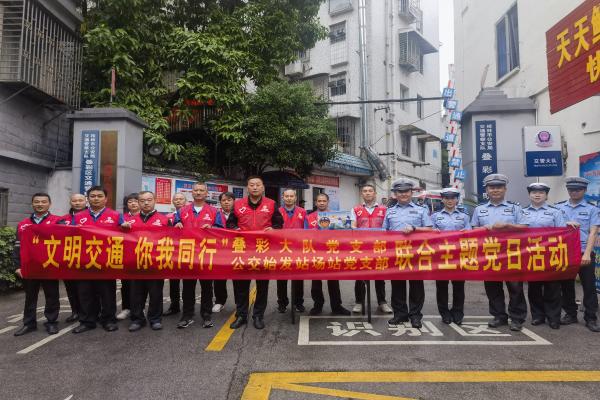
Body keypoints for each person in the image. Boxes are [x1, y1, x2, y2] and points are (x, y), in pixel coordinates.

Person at [471, 174, 528, 331]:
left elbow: (525, 227)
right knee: (492, 287)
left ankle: (517, 318)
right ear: (487, 190)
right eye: (492, 187)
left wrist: (508, 226)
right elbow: (473, 229)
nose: (495, 190)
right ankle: (499, 316)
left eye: (499, 187)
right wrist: (484, 228)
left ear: (505, 189)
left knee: (515, 287)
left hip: (511, 253)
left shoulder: (515, 208)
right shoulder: (479, 209)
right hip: (489, 253)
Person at [227, 176, 284, 329]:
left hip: (263, 250)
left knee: (262, 285)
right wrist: (235, 228)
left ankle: (258, 316)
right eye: (252, 185)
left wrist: (274, 229)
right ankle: (241, 315)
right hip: (242, 251)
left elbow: (279, 223)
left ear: (263, 187)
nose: (255, 187)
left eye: (258, 185)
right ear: (248, 188)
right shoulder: (238, 204)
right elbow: (230, 223)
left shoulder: (271, 204)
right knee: (241, 286)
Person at [384, 179, 433, 328]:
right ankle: (400, 314)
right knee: (397, 285)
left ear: (411, 193)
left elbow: (429, 229)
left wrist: (414, 228)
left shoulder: (421, 210)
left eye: (406, 191)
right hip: (396, 253)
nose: (403, 194)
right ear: (395, 194)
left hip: (416, 253)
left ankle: (415, 316)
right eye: (400, 192)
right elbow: (384, 232)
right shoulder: (390, 211)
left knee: (416, 285)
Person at [71, 186, 121, 334]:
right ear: (88, 199)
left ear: (106, 199)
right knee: (85, 293)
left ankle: (109, 320)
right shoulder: (78, 217)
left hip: (107, 262)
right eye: (92, 196)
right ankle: (87, 321)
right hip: (85, 262)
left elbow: (125, 238)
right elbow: (70, 237)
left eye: (99, 196)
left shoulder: (116, 216)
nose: (96, 199)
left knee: (107, 293)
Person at [13, 193, 62, 336]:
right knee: (30, 296)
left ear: (49, 204)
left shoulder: (58, 221)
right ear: (32, 204)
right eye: (37, 202)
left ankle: (51, 322)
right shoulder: (23, 224)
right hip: (30, 267)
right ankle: (29, 324)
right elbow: (18, 246)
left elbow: (65, 244)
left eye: (43, 202)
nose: (40, 204)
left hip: (50, 266)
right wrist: (17, 266)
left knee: (52, 295)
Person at [555, 176, 600, 332]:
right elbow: (553, 228)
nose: (574, 192)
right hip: (564, 252)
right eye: (571, 189)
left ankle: (591, 318)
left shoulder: (592, 209)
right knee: (566, 285)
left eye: (578, 189)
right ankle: (570, 314)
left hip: (583, 252)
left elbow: (593, 232)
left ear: (585, 190)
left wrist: (587, 253)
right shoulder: (558, 207)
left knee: (589, 286)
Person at [122, 191, 170, 332]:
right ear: (138, 202)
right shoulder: (129, 222)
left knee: (155, 294)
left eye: (149, 200)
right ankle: (137, 319)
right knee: (136, 294)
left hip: (155, 264)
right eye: (142, 201)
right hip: (136, 264)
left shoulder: (164, 220)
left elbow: (172, 241)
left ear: (155, 200)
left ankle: (155, 319)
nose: (146, 203)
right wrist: (123, 230)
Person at [173, 182, 219, 329]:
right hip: (187, 254)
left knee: (207, 288)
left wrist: (212, 228)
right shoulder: (182, 211)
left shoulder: (214, 211)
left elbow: (221, 230)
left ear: (206, 193)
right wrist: (176, 225)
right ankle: (187, 316)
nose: (198, 192)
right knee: (187, 287)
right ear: (191, 193)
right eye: (196, 190)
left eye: (201, 190)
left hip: (206, 255)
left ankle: (206, 315)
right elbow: (173, 226)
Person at [522, 182, 566, 330]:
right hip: (530, 254)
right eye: (534, 192)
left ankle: (553, 317)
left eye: (541, 192)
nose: (537, 194)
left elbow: (562, 233)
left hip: (550, 254)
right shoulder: (522, 212)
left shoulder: (555, 212)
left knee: (552, 287)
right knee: (534, 287)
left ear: (546, 195)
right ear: (529, 195)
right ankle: (537, 316)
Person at [431, 187, 471, 325]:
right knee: (441, 286)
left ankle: (458, 312)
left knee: (458, 285)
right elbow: (430, 234)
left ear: (457, 199)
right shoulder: (435, 216)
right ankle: (444, 313)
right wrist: (433, 232)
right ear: (442, 199)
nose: (449, 200)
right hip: (441, 256)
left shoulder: (464, 216)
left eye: (453, 198)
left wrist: (467, 232)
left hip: (458, 255)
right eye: (447, 198)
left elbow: (470, 232)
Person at [306, 193, 351, 316]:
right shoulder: (309, 217)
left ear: (328, 202)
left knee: (333, 281)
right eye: (319, 201)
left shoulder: (336, 216)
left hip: (332, 252)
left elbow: (343, 234)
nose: (321, 203)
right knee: (316, 281)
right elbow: (304, 235)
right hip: (315, 253)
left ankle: (336, 306)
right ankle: (317, 306)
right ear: (315, 202)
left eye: (324, 201)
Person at [350, 184, 392, 314]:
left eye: (370, 191)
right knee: (360, 276)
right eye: (365, 191)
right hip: (361, 247)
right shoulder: (355, 209)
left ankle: (382, 302)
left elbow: (388, 228)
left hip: (379, 247)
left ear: (375, 194)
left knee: (379, 276)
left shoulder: (384, 210)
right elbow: (353, 226)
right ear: (361, 194)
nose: (367, 193)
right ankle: (359, 302)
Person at [57, 193, 87, 323]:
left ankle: (89, 312)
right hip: (68, 259)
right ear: (70, 202)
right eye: (75, 201)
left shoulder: (92, 217)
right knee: (71, 288)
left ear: (85, 202)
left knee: (86, 289)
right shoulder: (62, 220)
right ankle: (75, 312)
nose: (77, 203)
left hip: (87, 259)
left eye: (80, 200)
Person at [276, 189, 307, 313]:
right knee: (281, 279)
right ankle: (282, 303)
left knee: (298, 278)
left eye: (291, 196)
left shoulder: (303, 212)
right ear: (283, 197)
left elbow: (307, 231)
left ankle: (298, 302)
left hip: (298, 250)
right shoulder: (277, 212)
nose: (289, 198)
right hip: (281, 250)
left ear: (295, 198)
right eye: (286, 196)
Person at [164, 192, 188, 316]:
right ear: (173, 201)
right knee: (174, 282)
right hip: (173, 252)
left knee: (188, 282)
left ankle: (188, 307)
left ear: (185, 201)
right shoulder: (167, 216)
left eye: (181, 199)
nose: (178, 201)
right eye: (176, 199)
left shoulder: (190, 215)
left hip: (188, 251)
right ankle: (174, 306)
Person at [116, 193, 140, 321]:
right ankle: (126, 308)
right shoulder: (121, 218)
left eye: (136, 201)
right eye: (130, 201)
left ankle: (139, 309)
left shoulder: (146, 217)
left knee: (141, 285)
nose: (133, 203)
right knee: (126, 284)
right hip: (126, 256)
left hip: (143, 255)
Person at [212, 192, 235, 313]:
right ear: (220, 202)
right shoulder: (215, 214)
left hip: (236, 251)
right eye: (224, 200)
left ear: (234, 201)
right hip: (220, 251)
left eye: (229, 200)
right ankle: (220, 301)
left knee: (238, 279)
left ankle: (240, 303)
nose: (226, 202)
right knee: (219, 278)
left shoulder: (239, 214)